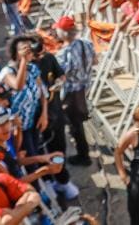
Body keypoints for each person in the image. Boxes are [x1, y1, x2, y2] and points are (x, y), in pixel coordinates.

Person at [54, 16, 94, 166]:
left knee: (75, 125)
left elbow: (62, 75)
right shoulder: (86, 44)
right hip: (84, 88)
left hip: (71, 92)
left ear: (64, 32)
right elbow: (94, 61)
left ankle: (83, 156)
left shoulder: (64, 54)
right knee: (78, 121)